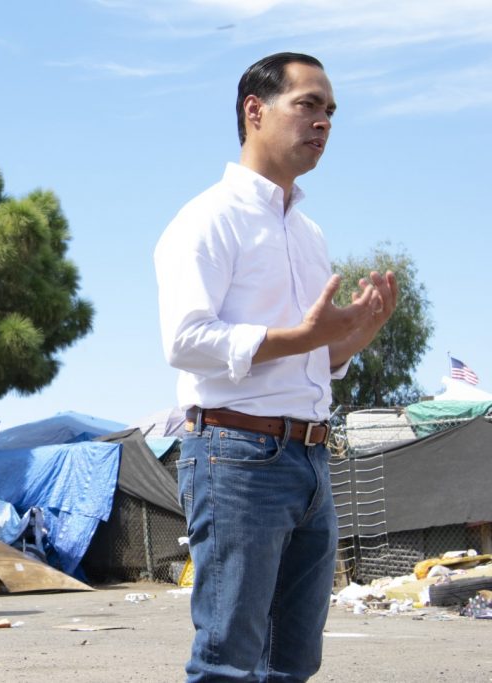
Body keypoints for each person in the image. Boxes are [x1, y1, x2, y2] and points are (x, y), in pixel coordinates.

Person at [153, 52, 398, 682]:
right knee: (229, 661)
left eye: (331, 111)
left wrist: (353, 338)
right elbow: (185, 340)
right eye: (308, 105)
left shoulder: (308, 233)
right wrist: (302, 336)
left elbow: (312, 357)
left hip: (312, 458)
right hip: (237, 455)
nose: (323, 123)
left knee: (293, 661)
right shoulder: (206, 219)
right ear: (254, 111)